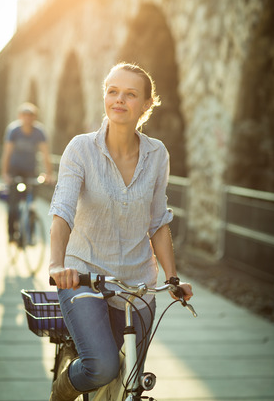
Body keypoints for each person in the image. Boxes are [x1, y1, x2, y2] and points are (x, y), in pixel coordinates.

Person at [48, 62, 193, 400]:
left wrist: (172, 278)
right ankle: (62, 390)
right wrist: (57, 266)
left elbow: (158, 221)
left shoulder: (157, 154)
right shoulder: (81, 149)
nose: (119, 100)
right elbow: (63, 211)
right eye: (112, 91)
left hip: (137, 283)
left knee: (131, 381)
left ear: (146, 105)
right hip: (83, 276)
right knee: (102, 367)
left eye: (130, 94)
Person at [1, 102, 53, 242]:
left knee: (31, 203)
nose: (27, 119)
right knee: (13, 205)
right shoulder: (14, 130)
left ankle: (30, 234)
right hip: (15, 170)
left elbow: (45, 154)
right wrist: (5, 173)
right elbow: (7, 153)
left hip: (31, 170)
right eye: (25, 116)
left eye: (30, 116)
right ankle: (12, 234)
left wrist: (49, 173)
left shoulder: (39, 132)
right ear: (20, 117)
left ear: (34, 117)